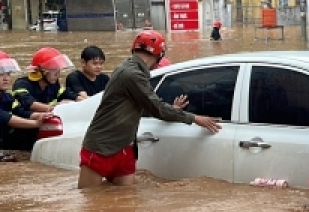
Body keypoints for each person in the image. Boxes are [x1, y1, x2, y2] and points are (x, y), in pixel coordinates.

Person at [78, 30, 222, 188]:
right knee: (90, 199)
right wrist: (195, 118)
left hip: (124, 148)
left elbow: (144, 105)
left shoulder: (132, 70)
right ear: (159, 55)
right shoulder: (132, 74)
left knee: (125, 203)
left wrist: (172, 109)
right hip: (100, 148)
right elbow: (156, 108)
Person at [6, 47, 80, 150]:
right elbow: (29, 103)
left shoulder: (54, 85)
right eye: (53, 70)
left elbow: (67, 94)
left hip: (40, 129)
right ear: (41, 72)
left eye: (58, 70)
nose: (57, 74)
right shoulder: (22, 84)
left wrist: (82, 99)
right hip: (22, 132)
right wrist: (54, 108)